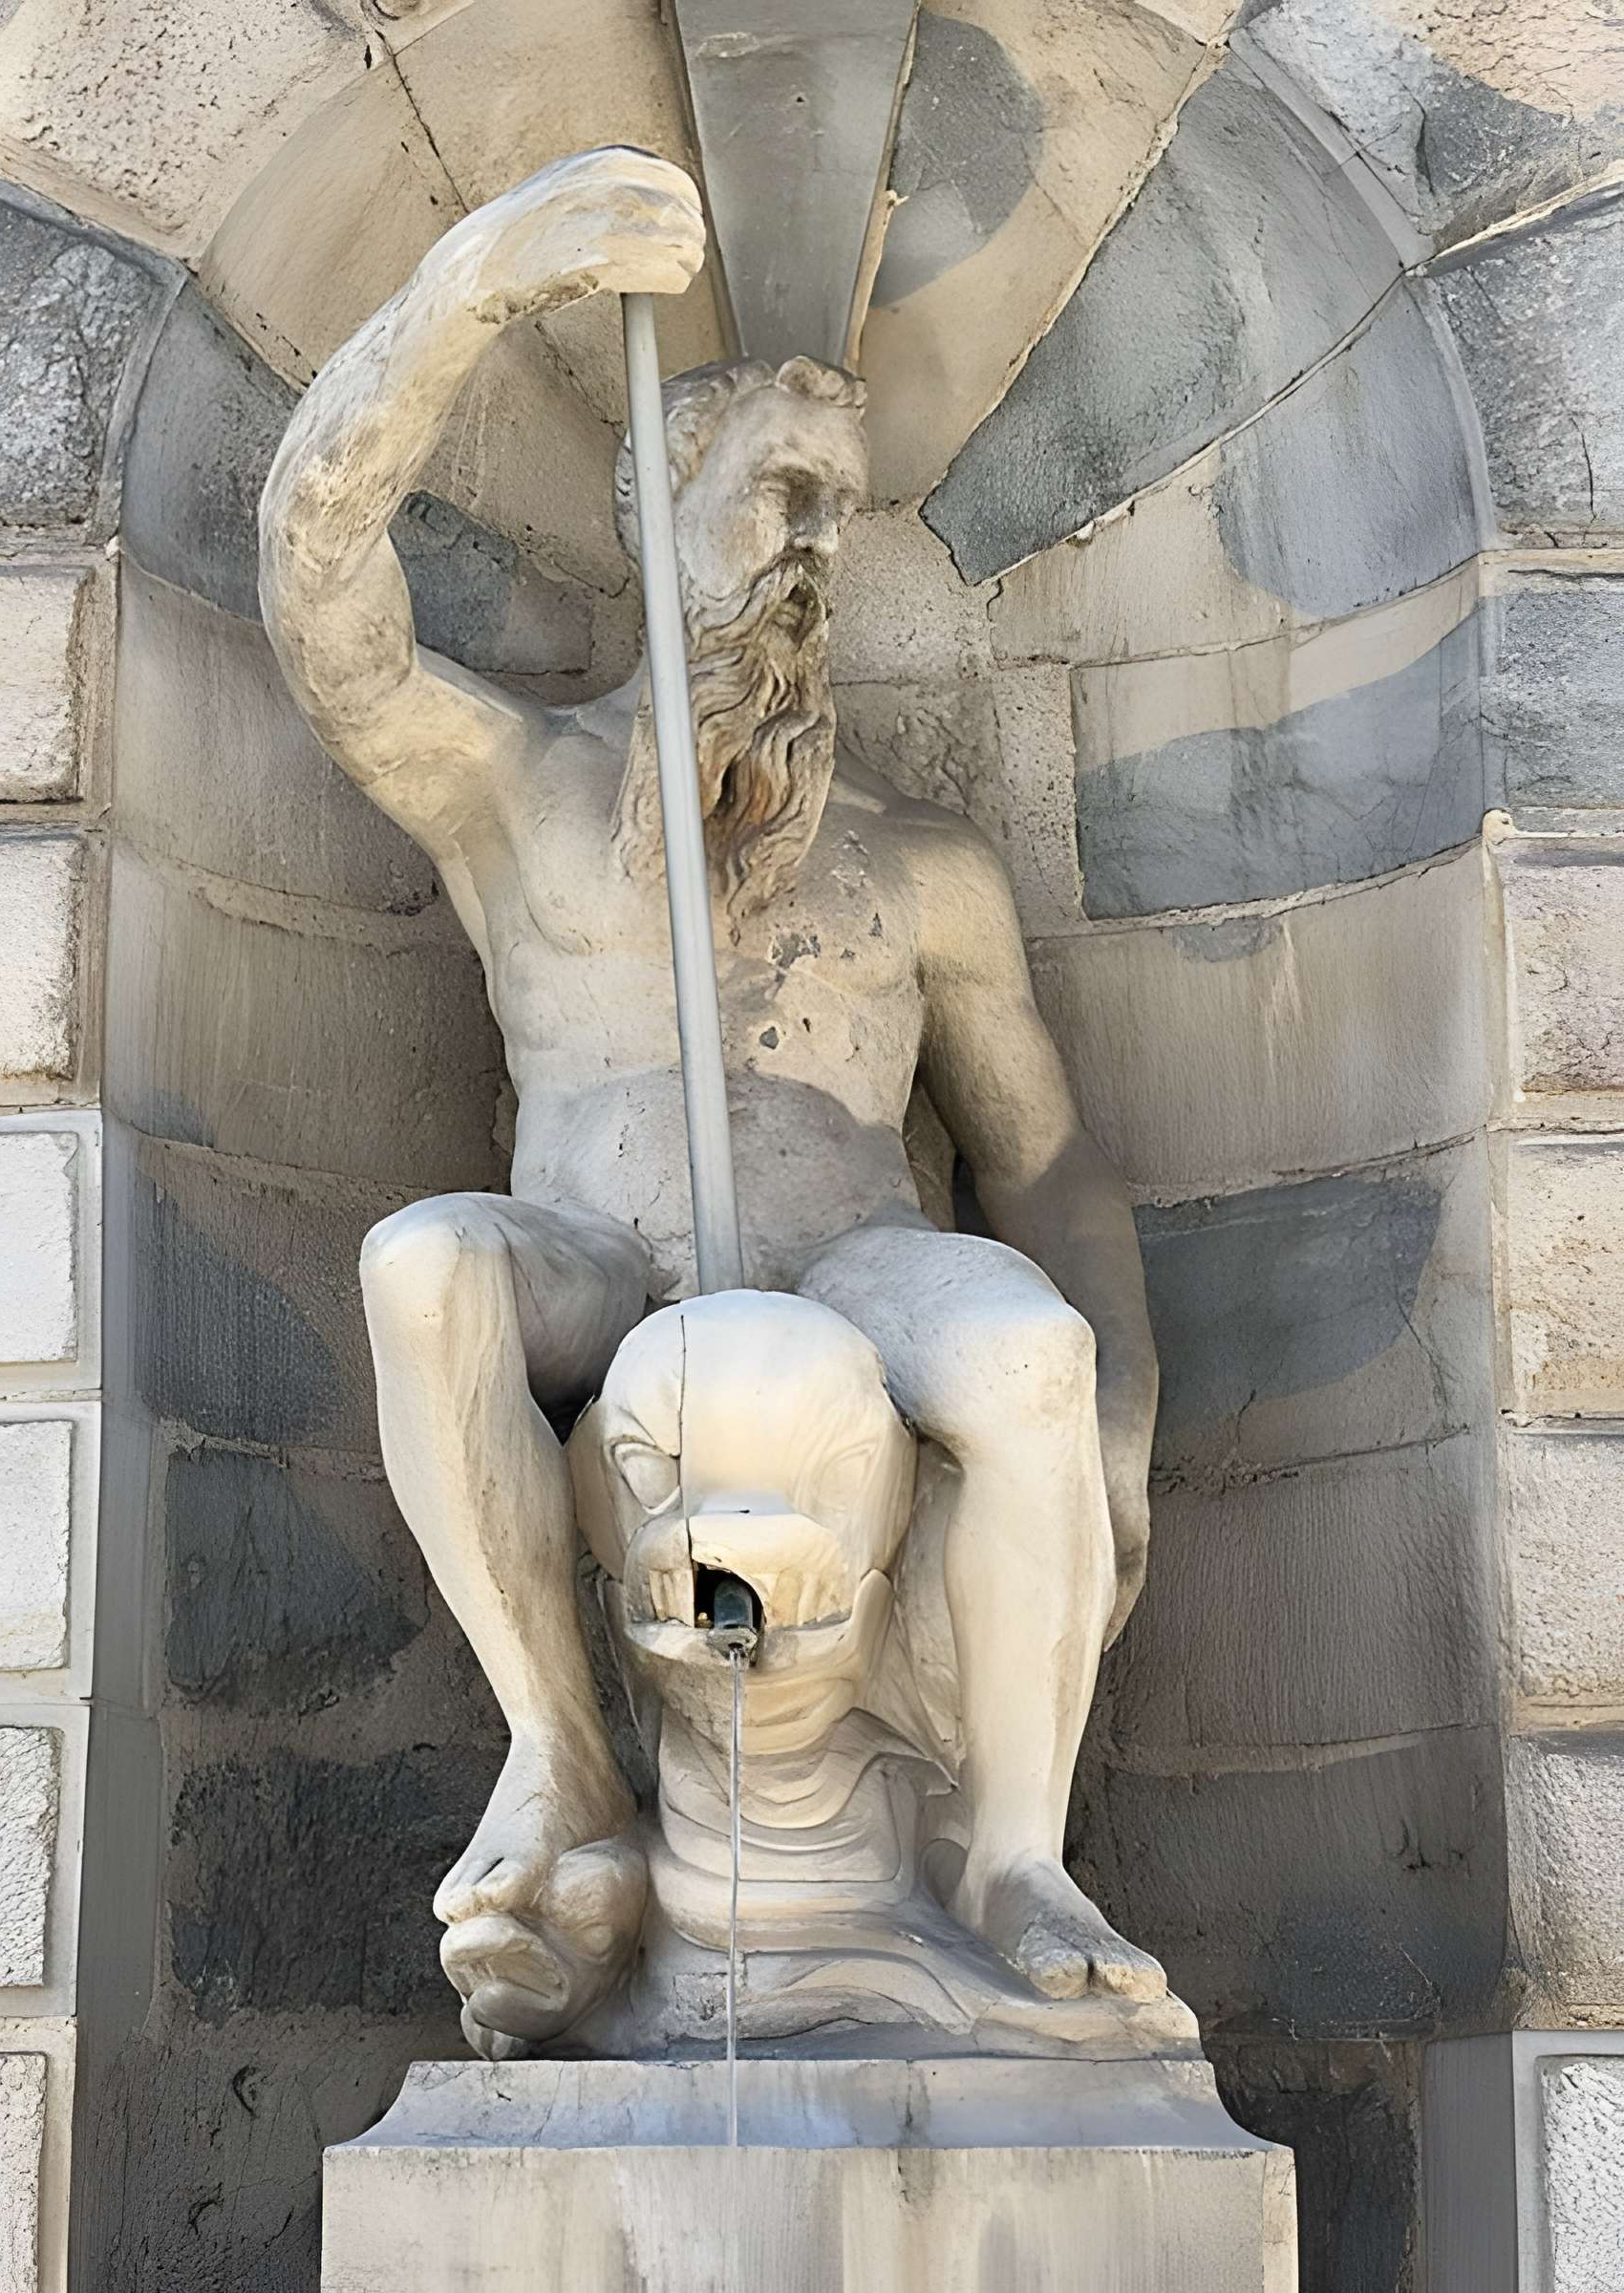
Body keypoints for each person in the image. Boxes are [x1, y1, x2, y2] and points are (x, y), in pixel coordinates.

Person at [259, 146, 1164, 2046]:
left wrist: (1127, 1419)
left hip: (857, 1262)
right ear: (654, 507)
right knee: (426, 1265)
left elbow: (1051, 1162)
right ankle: (560, 1768)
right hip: (600, 1263)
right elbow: (323, 606)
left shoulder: (928, 870)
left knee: (1032, 1367)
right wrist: (468, 297)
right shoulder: (520, 787)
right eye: (774, 498)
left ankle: (1017, 1854)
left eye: (837, 512)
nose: (813, 547)